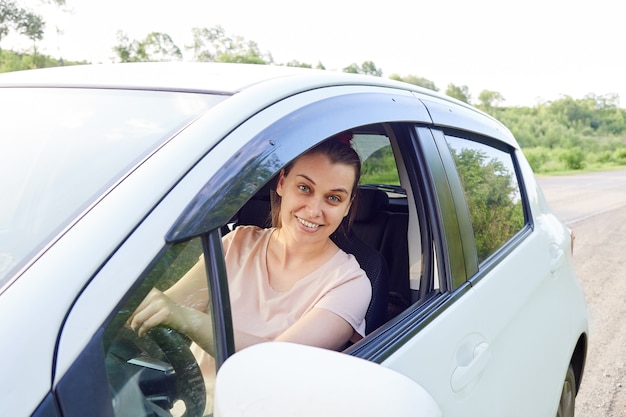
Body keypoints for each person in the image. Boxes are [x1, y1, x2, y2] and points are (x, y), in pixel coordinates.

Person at [128, 133, 372, 355]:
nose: (314, 210)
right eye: (304, 188)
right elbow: (166, 307)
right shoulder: (236, 244)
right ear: (281, 184)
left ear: (347, 206)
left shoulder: (350, 284)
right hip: (192, 400)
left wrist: (190, 320)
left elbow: (279, 362)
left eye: (333, 198)